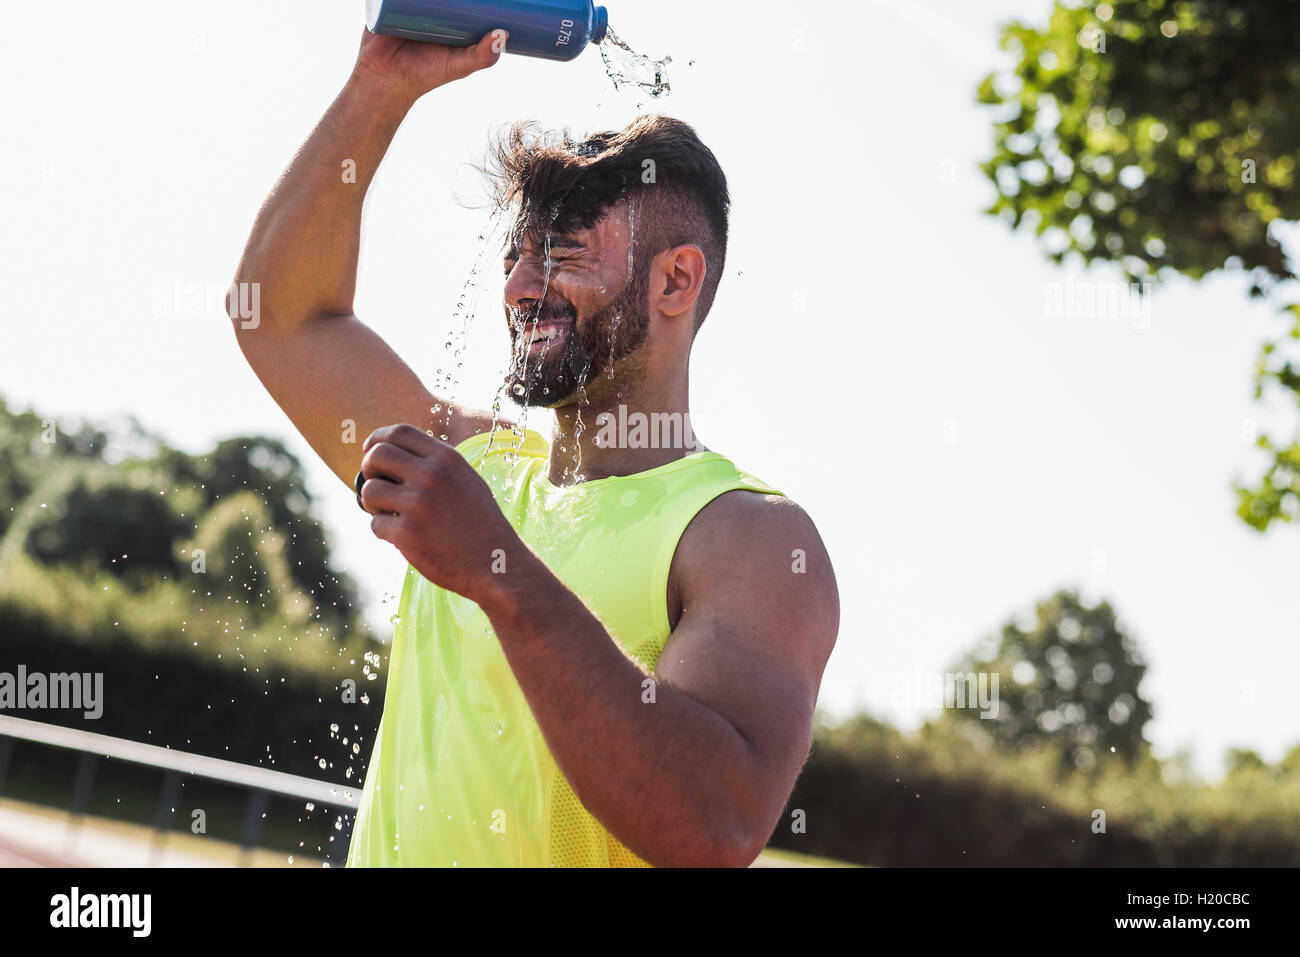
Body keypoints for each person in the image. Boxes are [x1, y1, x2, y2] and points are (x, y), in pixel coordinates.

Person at [226, 26, 839, 867]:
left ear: (675, 280)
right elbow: (278, 315)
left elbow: (712, 827)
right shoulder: (475, 469)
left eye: (560, 256)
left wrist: (499, 571)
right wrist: (377, 87)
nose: (519, 286)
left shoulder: (750, 539)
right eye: (516, 255)